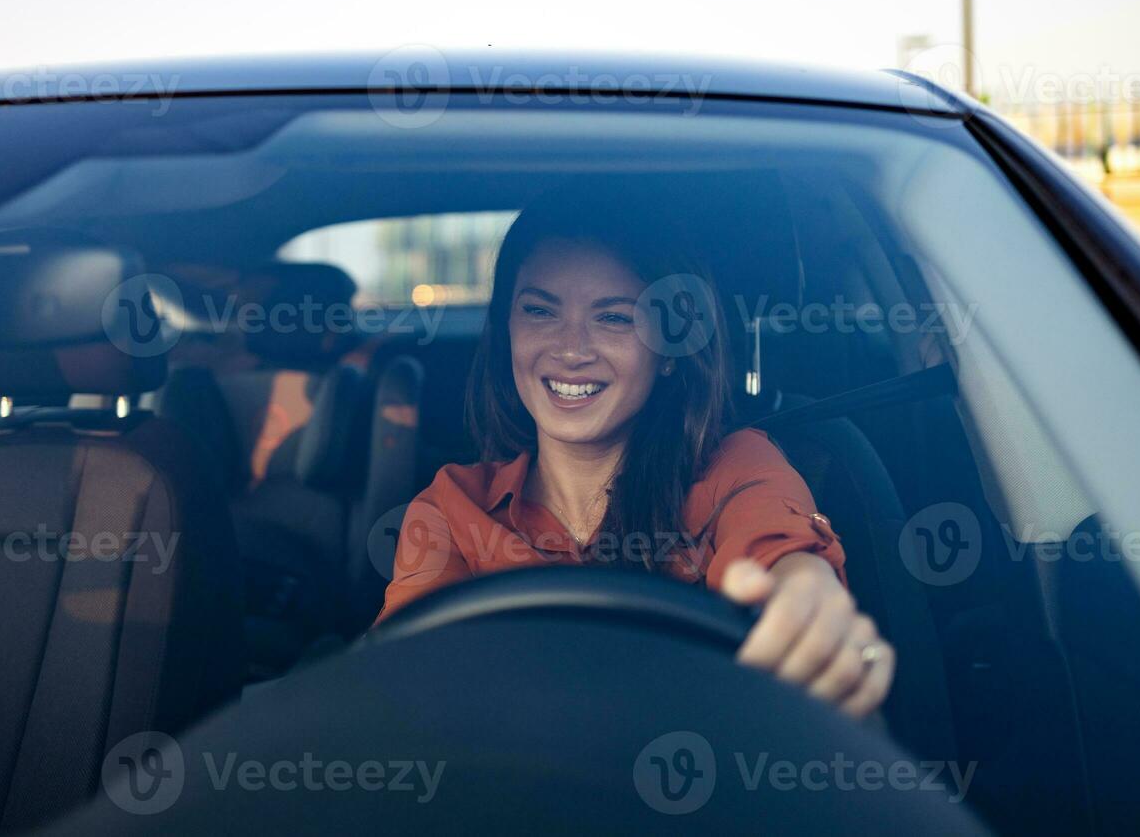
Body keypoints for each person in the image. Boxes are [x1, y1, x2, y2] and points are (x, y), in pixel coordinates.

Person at [373, 184, 894, 717]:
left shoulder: (732, 470)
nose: (570, 349)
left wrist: (806, 597)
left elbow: (781, 553)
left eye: (614, 317)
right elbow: (397, 687)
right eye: (539, 311)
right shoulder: (452, 507)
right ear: (506, 328)